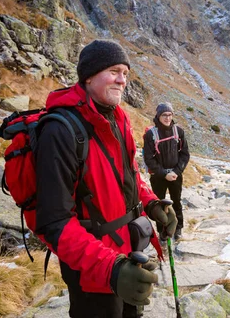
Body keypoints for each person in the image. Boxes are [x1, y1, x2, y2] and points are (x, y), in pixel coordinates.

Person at [34, 39, 178, 318]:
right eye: (114, 71)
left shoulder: (119, 118)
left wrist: (151, 203)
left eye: (125, 73)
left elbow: (128, 177)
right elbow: (53, 222)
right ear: (89, 75)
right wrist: (111, 269)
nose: (122, 80)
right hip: (93, 268)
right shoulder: (60, 131)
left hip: (128, 252)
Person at [142, 102, 190, 241]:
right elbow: (149, 159)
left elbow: (185, 154)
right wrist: (164, 173)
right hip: (158, 176)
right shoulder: (151, 135)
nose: (167, 118)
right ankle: (162, 232)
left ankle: (178, 227)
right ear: (158, 116)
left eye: (170, 115)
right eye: (164, 115)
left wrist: (177, 171)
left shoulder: (178, 132)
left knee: (176, 201)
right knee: (159, 204)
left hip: (175, 174)